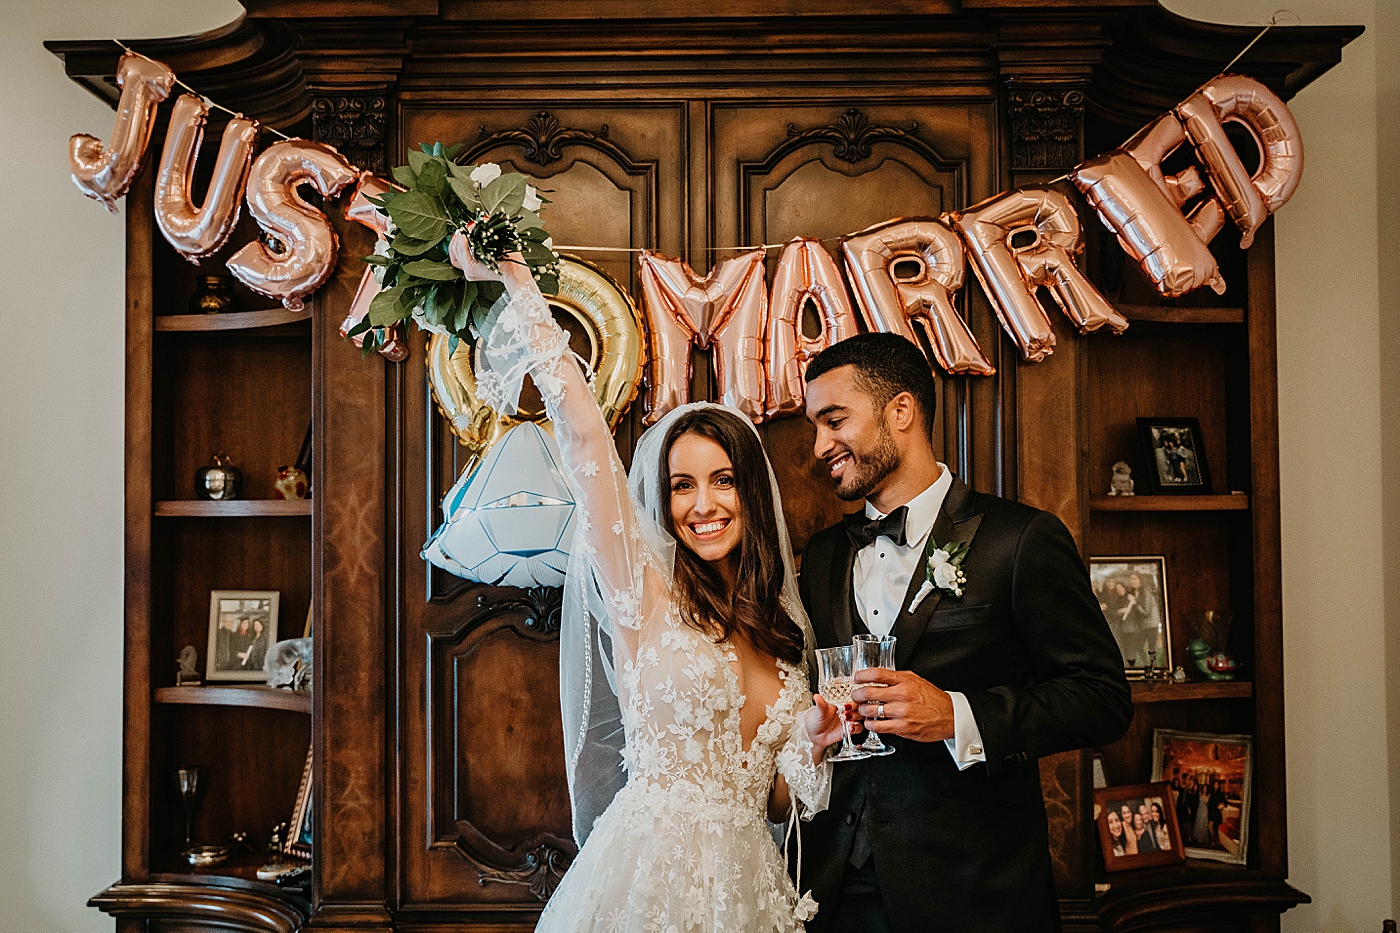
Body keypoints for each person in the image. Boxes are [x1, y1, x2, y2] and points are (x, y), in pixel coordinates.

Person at [453, 242, 843, 932]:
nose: (704, 504)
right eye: (681, 485)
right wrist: (515, 276)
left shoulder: (780, 630)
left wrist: (811, 737)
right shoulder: (645, 592)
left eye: (723, 480)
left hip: (750, 891)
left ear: (750, 492)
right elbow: (583, 440)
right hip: (648, 883)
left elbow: (777, 802)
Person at [797, 333, 1134, 933]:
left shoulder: (1022, 540)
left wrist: (956, 715)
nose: (819, 445)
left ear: (900, 410)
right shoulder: (822, 556)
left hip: (975, 893)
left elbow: (1101, 698)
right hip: (836, 894)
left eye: (834, 420)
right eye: (815, 426)